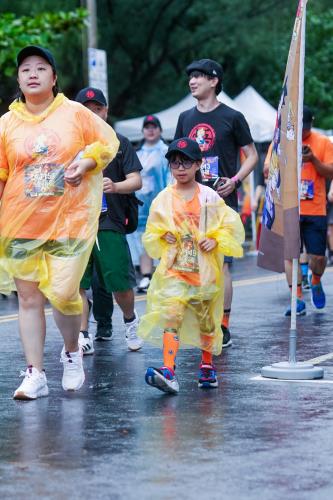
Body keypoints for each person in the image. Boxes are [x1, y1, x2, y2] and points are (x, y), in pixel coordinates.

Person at [0, 46, 119, 400]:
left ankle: (71, 351)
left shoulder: (75, 113)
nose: (32, 74)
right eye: (25, 69)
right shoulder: (6, 124)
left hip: (68, 220)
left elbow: (105, 143)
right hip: (21, 222)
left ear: (54, 78)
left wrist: (86, 164)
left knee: (65, 293)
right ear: (19, 80)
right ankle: (35, 372)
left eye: (40, 68)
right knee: (28, 297)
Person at [138, 138, 244, 393]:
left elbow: (229, 226)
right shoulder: (163, 199)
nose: (180, 168)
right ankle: (168, 370)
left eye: (186, 162)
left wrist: (215, 239)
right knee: (171, 316)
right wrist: (164, 236)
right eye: (175, 163)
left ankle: (207, 366)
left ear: (198, 164)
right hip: (174, 271)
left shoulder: (209, 197)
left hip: (204, 272)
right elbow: (152, 232)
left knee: (206, 320)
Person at [174, 59, 258, 348]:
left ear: (214, 81)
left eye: (198, 76)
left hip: (222, 202)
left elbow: (253, 155)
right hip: (190, 201)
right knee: (191, 262)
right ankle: (198, 321)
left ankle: (224, 324)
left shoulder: (232, 117)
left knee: (222, 265)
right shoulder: (185, 117)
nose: (192, 81)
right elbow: (177, 158)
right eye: (190, 77)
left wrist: (234, 180)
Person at [75, 87, 143, 353]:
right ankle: (82, 334)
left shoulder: (119, 142)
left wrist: (115, 186)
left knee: (119, 283)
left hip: (108, 221)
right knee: (75, 284)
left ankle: (129, 320)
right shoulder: (68, 143)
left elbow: (136, 180)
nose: (92, 114)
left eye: (97, 108)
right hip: (76, 223)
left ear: (106, 110)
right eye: (86, 109)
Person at [283, 106, 333, 314]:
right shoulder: (284, 140)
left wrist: (313, 159)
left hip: (315, 208)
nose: (303, 131)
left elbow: (330, 171)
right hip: (290, 207)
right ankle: (297, 299)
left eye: (306, 127)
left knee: (318, 258)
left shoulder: (322, 142)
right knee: (290, 255)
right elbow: (269, 168)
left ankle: (315, 280)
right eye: (300, 127)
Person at [127, 115, 169, 293]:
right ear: (143, 131)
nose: (150, 130)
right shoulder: (136, 153)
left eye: (154, 127)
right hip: (140, 207)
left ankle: (165, 275)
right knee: (143, 240)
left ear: (160, 130)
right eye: (147, 127)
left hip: (161, 206)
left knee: (164, 239)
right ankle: (146, 276)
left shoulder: (166, 152)